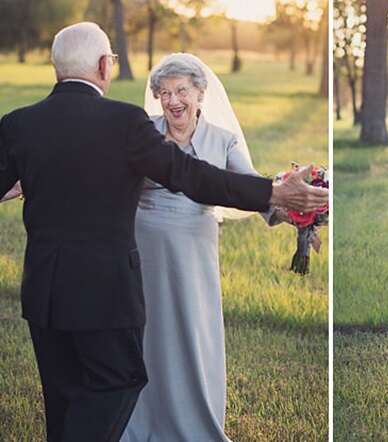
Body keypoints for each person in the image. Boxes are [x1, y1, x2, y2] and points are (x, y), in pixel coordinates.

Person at [0, 22, 327, 442]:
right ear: (104, 65)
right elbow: (188, 174)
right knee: (118, 382)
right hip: (105, 288)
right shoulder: (125, 122)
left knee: (62, 393)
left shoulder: (19, 123)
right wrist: (274, 191)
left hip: (43, 290)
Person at [120, 53, 290, 442]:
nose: (173, 100)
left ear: (200, 93)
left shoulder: (223, 139)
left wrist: (294, 217)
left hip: (195, 248)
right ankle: (142, 421)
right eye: (164, 93)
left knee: (193, 331)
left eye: (181, 90)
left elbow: (250, 188)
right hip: (145, 246)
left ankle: (194, 421)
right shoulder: (144, 133)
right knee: (147, 332)